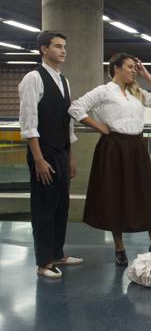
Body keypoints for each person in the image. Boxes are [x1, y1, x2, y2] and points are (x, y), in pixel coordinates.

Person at [68, 53, 151, 266]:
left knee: (145, 195)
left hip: (137, 147)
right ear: (116, 68)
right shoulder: (103, 91)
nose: (134, 70)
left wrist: (146, 74)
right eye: (131, 67)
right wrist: (99, 126)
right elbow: (75, 108)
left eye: (135, 67)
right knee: (116, 196)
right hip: (113, 147)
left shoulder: (136, 92)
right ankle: (119, 248)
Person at [18, 30, 83, 279]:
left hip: (61, 151)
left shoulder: (63, 80)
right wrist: (38, 159)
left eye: (64, 46)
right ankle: (44, 262)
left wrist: (71, 155)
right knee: (44, 207)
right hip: (43, 152)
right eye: (57, 46)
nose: (63, 50)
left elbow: (67, 123)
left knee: (61, 206)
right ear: (44, 49)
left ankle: (57, 253)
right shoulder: (33, 78)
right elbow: (28, 122)